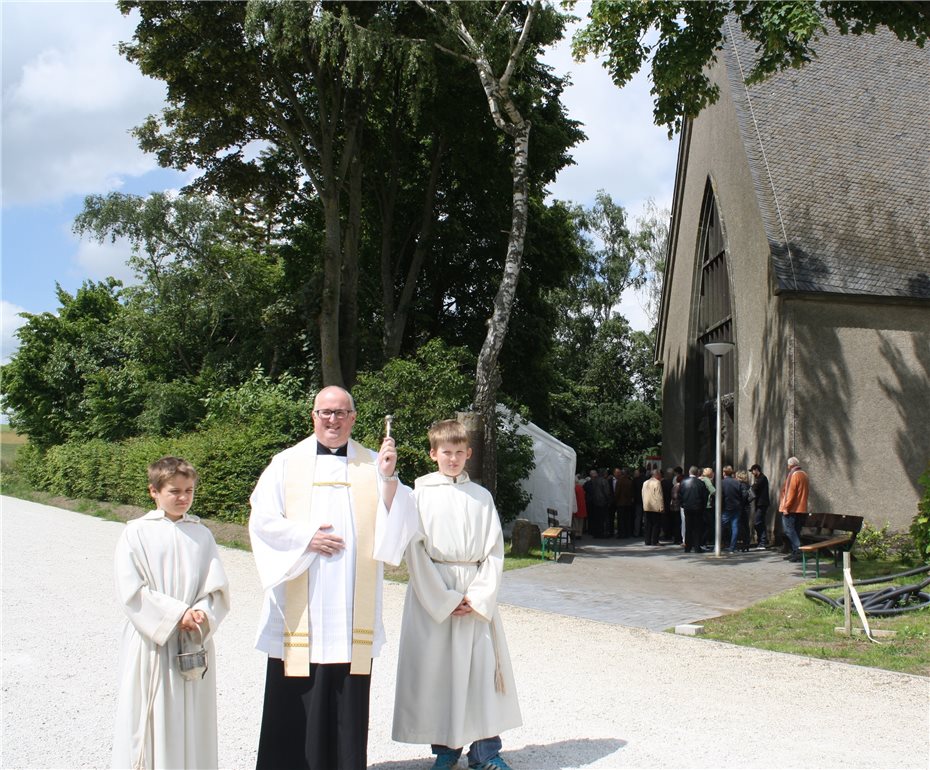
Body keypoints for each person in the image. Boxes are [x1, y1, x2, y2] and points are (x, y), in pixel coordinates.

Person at [249, 385, 418, 770]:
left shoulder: (375, 464)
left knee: (345, 689)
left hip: (349, 608)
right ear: (313, 415)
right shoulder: (286, 464)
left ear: (353, 418)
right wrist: (307, 538)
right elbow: (261, 520)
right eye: (325, 412)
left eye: (341, 413)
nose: (333, 419)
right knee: (295, 689)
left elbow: (403, 521)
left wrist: (390, 481)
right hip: (302, 598)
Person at [393, 420, 521, 770]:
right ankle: (446, 749)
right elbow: (414, 551)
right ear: (433, 454)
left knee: (480, 673)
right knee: (439, 672)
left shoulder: (481, 497)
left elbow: (495, 551)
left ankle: (485, 752)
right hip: (434, 592)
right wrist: (445, 599)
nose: (453, 459)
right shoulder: (418, 495)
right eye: (446, 452)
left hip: (476, 590)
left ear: (469, 454)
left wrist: (477, 597)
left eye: (459, 452)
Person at [112, 456, 230, 770]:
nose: (183, 497)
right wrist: (176, 614)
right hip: (153, 641)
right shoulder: (136, 533)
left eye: (189, 490)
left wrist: (202, 614)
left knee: (193, 713)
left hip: (192, 640)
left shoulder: (201, 535)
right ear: (154, 491)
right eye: (174, 491)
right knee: (152, 714)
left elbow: (216, 588)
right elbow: (132, 590)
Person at [779, 456, 810, 563]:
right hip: (801, 508)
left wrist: (786, 507)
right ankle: (795, 552)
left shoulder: (794, 475)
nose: (787, 467)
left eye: (788, 464)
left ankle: (798, 550)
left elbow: (790, 493)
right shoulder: (804, 474)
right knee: (795, 530)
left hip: (792, 508)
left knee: (789, 530)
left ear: (791, 465)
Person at [679, 466, 709, 553]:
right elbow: (705, 496)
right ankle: (697, 547)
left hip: (687, 507)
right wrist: (703, 506)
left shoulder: (683, 482)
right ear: (697, 473)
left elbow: (680, 495)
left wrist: (683, 505)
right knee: (697, 528)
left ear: (689, 472)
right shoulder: (701, 483)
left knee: (688, 527)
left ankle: (687, 547)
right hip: (698, 508)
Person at [720, 466, 747, 553]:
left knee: (720, 526)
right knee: (735, 526)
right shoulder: (737, 482)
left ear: (724, 473)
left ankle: (718, 544)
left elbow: (720, 496)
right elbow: (743, 495)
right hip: (736, 507)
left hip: (727, 508)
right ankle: (732, 547)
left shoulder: (722, 483)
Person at [641, 469, 665, 545]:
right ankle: (654, 541)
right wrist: (661, 507)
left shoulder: (645, 483)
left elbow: (643, 494)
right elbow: (659, 496)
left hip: (647, 506)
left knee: (647, 524)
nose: (660, 476)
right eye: (659, 474)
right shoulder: (657, 483)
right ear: (657, 475)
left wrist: (644, 504)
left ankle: (647, 541)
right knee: (656, 524)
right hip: (655, 507)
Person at [750, 463, 770, 549]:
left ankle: (762, 541)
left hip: (762, 503)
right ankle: (762, 541)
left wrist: (750, 489)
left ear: (756, 470)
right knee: (760, 522)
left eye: (752, 471)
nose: (752, 473)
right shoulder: (759, 478)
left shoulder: (762, 478)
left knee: (757, 522)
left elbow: (755, 487)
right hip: (759, 503)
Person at [614, 469, 633, 538]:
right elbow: (631, 493)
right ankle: (627, 533)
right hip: (628, 503)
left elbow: (617, 492)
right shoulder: (629, 481)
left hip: (620, 503)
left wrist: (615, 500)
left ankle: (621, 534)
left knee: (621, 519)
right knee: (627, 519)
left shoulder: (619, 481)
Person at [700, 467, 716, 547]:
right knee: (709, 526)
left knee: (702, 525)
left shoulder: (700, 479)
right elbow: (713, 491)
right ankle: (703, 542)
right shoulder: (706, 480)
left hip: (700, 505)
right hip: (707, 505)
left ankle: (701, 542)